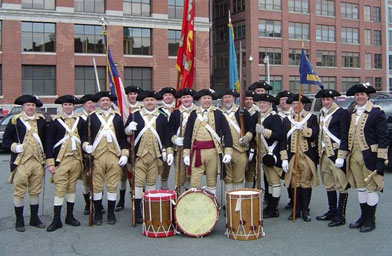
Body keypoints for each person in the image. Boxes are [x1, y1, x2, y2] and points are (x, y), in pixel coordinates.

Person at [125, 90, 173, 224]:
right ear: (143, 102)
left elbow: (166, 136)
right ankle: (138, 211)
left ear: (155, 101)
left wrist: (169, 151)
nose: (150, 102)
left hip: (155, 156)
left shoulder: (162, 117)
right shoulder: (135, 115)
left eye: (152, 100)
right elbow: (125, 133)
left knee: (151, 183)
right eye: (147, 100)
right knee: (139, 184)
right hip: (139, 156)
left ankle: (149, 209)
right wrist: (129, 129)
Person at [82, 91, 129, 225]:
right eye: (103, 100)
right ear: (98, 103)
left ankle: (110, 213)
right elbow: (85, 135)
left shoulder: (118, 118)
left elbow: (122, 138)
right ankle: (97, 213)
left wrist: (125, 154)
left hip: (114, 155)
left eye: (107, 100)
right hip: (97, 156)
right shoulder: (92, 118)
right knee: (96, 186)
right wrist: (86, 146)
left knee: (112, 185)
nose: (105, 102)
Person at [345, 83, 388, 233]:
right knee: (361, 188)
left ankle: (371, 219)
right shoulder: (352, 112)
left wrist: (381, 159)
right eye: (357, 95)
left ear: (367, 96)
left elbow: (383, 137)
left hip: (370, 156)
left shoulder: (377, 112)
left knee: (371, 188)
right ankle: (363, 217)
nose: (360, 97)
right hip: (354, 156)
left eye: (362, 94)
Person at [3, 95, 48, 232]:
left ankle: (34, 218)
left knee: (35, 191)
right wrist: (15, 147)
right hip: (21, 162)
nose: (31, 107)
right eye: (28, 105)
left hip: (37, 161)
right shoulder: (15, 121)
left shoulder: (41, 121)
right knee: (19, 191)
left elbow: (46, 140)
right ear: (23, 107)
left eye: (33, 105)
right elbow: (6, 140)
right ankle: (19, 220)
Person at [183, 89, 233, 196]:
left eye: (209, 98)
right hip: (197, 153)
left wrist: (228, 152)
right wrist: (186, 153)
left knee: (212, 181)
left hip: (213, 152)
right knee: (194, 181)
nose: (207, 100)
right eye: (204, 98)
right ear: (200, 100)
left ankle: (212, 206)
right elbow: (187, 134)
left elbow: (227, 133)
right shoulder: (193, 114)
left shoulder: (218, 113)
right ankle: (195, 205)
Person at [46, 95, 84, 232]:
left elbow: (84, 137)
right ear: (62, 106)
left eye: (70, 105)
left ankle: (70, 216)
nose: (68, 107)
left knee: (71, 187)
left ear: (73, 106)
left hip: (75, 159)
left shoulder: (80, 120)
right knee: (60, 189)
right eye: (66, 105)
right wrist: (50, 162)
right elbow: (49, 141)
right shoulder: (55, 121)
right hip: (60, 160)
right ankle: (56, 219)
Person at [315, 89, 350, 227]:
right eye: (323, 100)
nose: (326, 102)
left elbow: (345, 135)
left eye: (328, 99)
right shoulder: (322, 114)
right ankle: (332, 211)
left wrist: (341, 155)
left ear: (333, 99)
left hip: (336, 154)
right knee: (328, 184)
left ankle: (340, 215)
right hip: (324, 154)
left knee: (341, 184)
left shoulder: (341, 113)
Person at [281, 94, 319, 222]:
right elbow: (282, 140)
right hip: (292, 156)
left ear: (303, 105)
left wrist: (303, 129)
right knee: (294, 183)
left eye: (298, 104)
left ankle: (305, 210)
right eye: (294, 104)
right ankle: (296, 210)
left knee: (305, 183)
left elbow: (315, 134)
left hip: (306, 155)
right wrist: (284, 158)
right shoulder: (287, 120)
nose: (296, 106)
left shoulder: (311, 117)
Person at [219, 89, 254, 194]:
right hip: (224, 149)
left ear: (233, 98)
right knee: (227, 178)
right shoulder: (218, 113)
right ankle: (228, 201)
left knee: (238, 178)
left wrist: (247, 137)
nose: (227, 99)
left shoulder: (242, 112)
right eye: (225, 97)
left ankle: (237, 202)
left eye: (229, 97)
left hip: (240, 149)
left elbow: (251, 128)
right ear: (222, 99)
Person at [254, 93, 283, 218]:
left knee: (274, 181)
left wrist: (264, 131)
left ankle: (274, 208)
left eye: (264, 103)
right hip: (263, 154)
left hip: (272, 153)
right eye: (260, 103)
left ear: (269, 104)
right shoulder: (260, 116)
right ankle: (270, 205)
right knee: (270, 182)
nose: (262, 105)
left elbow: (279, 135)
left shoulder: (274, 117)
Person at [115, 85, 143, 212]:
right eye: (130, 94)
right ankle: (121, 200)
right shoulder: (121, 108)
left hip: (136, 144)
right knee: (122, 175)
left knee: (136, 173)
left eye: (134, 94)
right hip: (121, 142)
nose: (132, 96)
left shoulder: (141, 108)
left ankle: (137, 199)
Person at [78, 94, 105, 216]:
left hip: (98, 152)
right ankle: (88, 204)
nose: (92, 105)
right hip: (84, 153)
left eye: (93, 103)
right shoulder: (79, 119)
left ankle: (99, 203)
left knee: (99, 179)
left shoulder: (98, 117)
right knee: (86, 180)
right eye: (89, 103)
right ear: (83, 105)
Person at [168, 88, 198, 192]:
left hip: (195, 147)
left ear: (192, 98)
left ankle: (190, 196)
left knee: (192, 174)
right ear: (180, 99)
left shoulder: (198, 112)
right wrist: (174, 139)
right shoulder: (176, 113)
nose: (186, 99)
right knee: (179, 175)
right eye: (184, 97)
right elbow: (170, 130)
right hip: (180, 148)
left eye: (188, 97)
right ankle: (178, 196)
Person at [275, 90, 294, 209]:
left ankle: (295, 200)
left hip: (294, 148)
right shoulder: (276, 116)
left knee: (294, 176)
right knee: (279, 176)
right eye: (282, 100)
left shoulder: (296, 114)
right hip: (278, 149)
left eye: (286, 100)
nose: (284, 102)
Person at [158, 87, 177, 190]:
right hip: (164, 142)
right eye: (166, 95)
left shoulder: (179, 110)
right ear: (162, 98)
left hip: (178, 142)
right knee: (165, 165)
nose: (168, 97)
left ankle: (178, 189)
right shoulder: (158, 111)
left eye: (170, 95)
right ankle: (164, 187)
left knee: (180, 167)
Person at [244, 90, 259, 188]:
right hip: (241, 143)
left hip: (253, 144)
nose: (249, 101)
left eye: (251, 99)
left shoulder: (257, 113)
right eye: (246, 99)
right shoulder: (239, 111)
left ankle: (249, 190)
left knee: (251, 169)